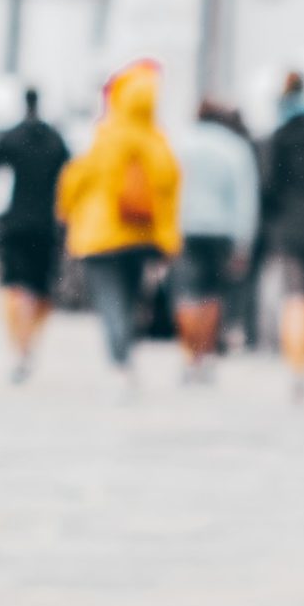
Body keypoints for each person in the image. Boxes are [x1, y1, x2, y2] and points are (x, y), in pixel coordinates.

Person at [58, 62, 179, 386]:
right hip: (142, 234)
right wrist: (168, 236)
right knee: (132, 297)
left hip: (100, 235)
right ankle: (126, 355)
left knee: (110, 298)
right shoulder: (157, 139)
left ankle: (118, 361)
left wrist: (66, 210)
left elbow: (76, 180)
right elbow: (169, 187)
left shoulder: (106, 135)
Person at [0, 87, 68, 383]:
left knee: (17, 287)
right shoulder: (56, 141)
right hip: (46, 224)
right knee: (40, 289)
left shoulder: (10, 138)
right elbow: (68, 180)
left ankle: (20, 347)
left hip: (16, 222)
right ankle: (26, 344)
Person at [171, 100, 256, 384]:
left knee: (186, 294)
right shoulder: (234, 147)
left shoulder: (181, 144)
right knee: (212, 295)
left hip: (185, 226)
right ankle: (205, 357)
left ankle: (189, 357)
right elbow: (245, 196)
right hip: (222, 229)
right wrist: (244, 240)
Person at [259, 72, 304, 393]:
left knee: (296, 295)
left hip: (290, 224)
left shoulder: (281, 136)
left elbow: (269, 187)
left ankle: (299, 362)